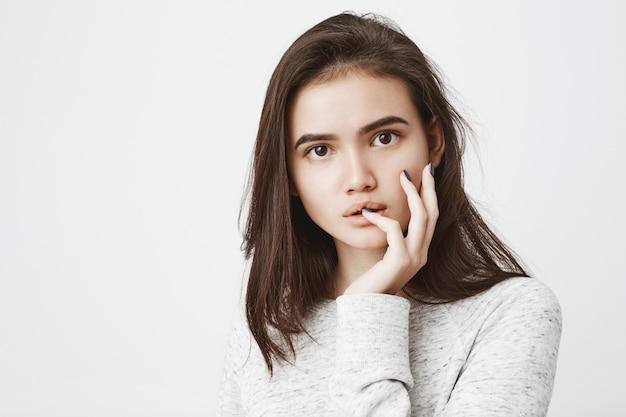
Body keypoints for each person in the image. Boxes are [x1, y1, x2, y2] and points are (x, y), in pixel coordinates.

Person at [217, 11, 562, 417]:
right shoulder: (267, 326)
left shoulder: (509, 313)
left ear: (434, 142)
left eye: (384, 138)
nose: (358, 179)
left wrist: (370, 306)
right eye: (320, 150)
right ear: (289, 175)